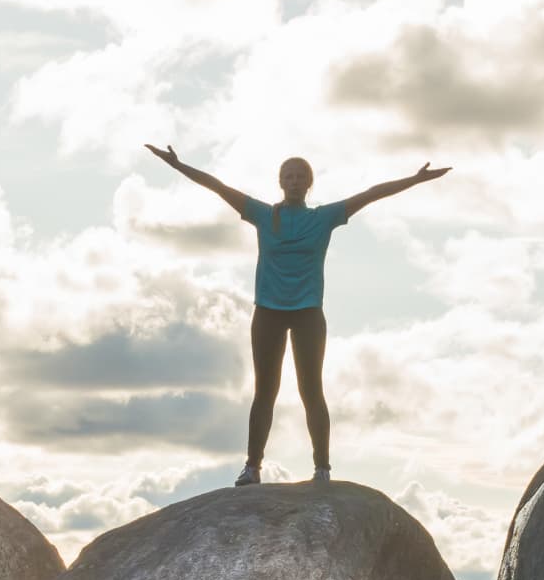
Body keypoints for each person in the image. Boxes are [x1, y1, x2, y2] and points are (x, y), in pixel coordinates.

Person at [144, 144, 449, 485]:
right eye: (288, 176)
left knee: (311, 390)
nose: (294, 181)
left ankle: (322, 468)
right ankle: (252, 467)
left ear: (309, 183)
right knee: (265, 391)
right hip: (268, 313)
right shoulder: (262, 214)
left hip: (308, 313)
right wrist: (178, 165)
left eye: (300, 176)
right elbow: (217, 187)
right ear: (280, 182)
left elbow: (371, 194)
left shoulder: (323, 218)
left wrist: (415, 179)